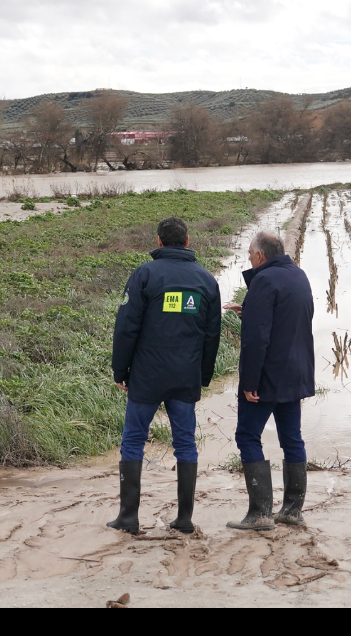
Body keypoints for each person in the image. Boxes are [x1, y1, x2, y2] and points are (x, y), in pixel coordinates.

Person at [107, 216, 223, 535]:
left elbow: (126, 327)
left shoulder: (145, 274)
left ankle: (128, 517)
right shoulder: (206, 280)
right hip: (185, 377)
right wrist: (203, 376)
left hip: (147, 376)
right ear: (187, 241)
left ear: (159, 241)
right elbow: (212, 335)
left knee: (133, 440)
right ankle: (184, 518)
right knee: (185, 443)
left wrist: (120, 370)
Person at [224, 230, 314, 531]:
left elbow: (257, 338)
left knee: (247, 436)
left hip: (268, 376)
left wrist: (250, 381)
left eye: (250, 255)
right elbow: (287, 319)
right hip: (295, 373)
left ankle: (260, 514)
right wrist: (248, 312)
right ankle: (292, 510)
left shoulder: (263, 280)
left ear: (260, 255)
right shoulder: (299, 276)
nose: (249, 259)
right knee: (292, 438)